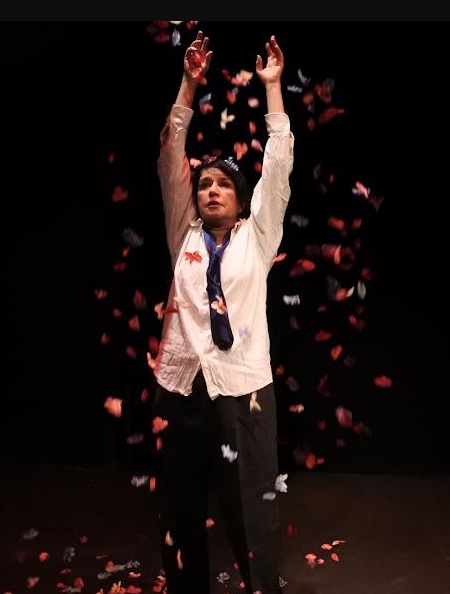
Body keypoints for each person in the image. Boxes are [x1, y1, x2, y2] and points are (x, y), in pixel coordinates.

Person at [151, 29, 294, 594]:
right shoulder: (182, 233)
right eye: (204, 183)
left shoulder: (257, 238)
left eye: (223, 186)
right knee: (180, 504)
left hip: (243, 389)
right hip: (181, 386)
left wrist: (273, 88)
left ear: (238, 199)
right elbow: (170, 156)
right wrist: (189, 85)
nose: (211, 190)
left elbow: (277, 169)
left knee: (250, 506)